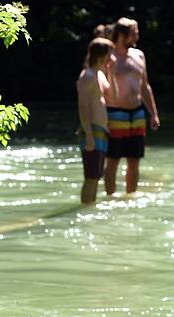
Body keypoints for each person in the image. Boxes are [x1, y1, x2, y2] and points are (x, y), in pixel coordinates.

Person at [104, 17, 160, 196]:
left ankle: (130, 197)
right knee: (113, 159)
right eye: (134, 33)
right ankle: (110, 198)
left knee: (134, 159)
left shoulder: (139, 55)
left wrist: (153, 113)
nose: (137, 36)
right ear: (122, 35)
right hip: (114, 112)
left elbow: (145, 86)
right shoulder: (108, 56)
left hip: (137, 113)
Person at [76, 37, 115, 204]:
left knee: (96, 177)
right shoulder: (87, 76)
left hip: (100, 130)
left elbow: (112, 95)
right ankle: (85, 208)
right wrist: (89, 134)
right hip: (91, 131)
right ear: (102, 55)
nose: (111, 58)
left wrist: (110, 71)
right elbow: (83, 106)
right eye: (109, 55)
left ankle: (90, 207)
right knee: (91, 177)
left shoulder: (98, 75)